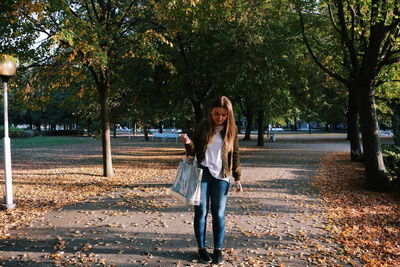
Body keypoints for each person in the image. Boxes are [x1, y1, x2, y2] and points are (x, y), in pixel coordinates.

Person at [179, 96, 242, 264]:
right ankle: (201, 249)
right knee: (201, 212)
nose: (219, 117)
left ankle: (218, 250)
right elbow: (193, 151)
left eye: (223, 114)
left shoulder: (231, 130)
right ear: (210, 113)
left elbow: (235, 154)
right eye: (216, 114)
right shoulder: (202, 127)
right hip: (203, 173)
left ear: (228, 114)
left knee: (219, 214)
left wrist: (237, 177)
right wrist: (187, 142)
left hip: (222, 176)